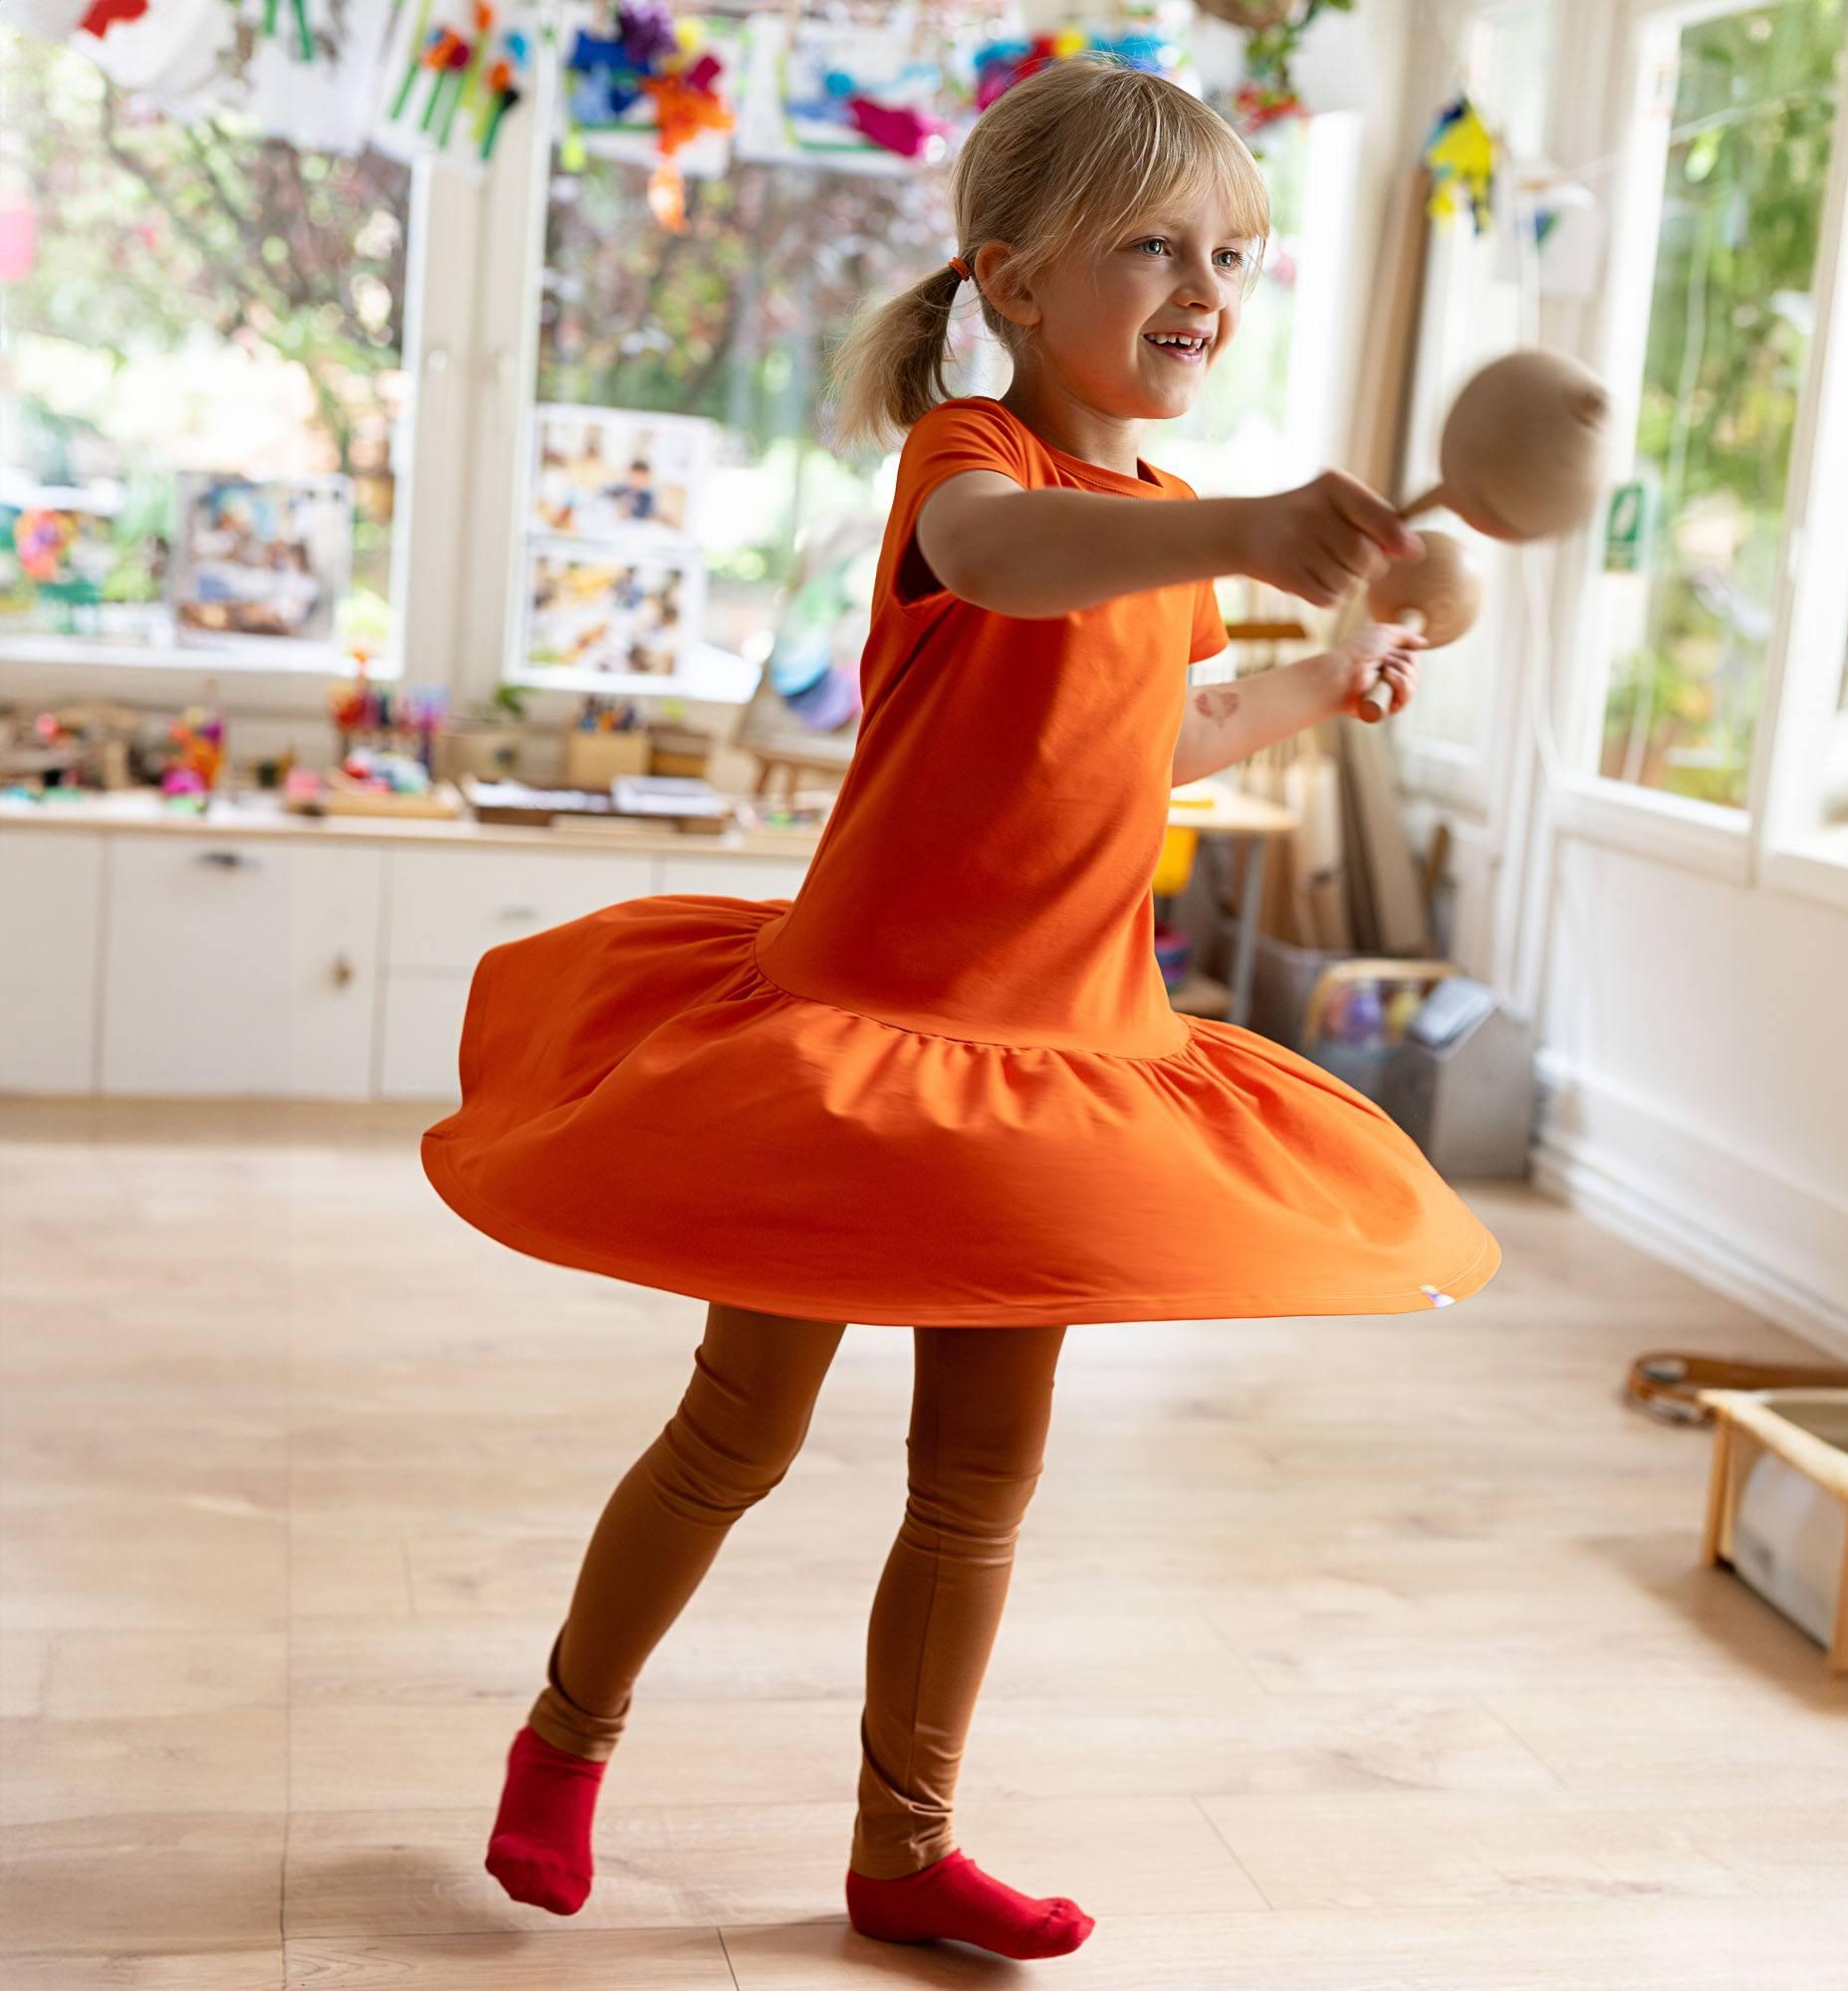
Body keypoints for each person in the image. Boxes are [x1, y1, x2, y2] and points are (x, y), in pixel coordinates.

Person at [421, 55, 1499, 1964]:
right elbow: (1012, 574)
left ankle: (904, 1847)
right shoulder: (973, 470)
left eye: (1235, 255)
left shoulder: (1168, 519)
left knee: (980, 1484)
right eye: (1153, 243)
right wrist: (1243, 536)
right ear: (1008, 280)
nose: (1206, 287)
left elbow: (1156, 733)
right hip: (861, 1045)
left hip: (1068, 1060)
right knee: (732, 1438)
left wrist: (1325, 683)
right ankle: (564, 1744)